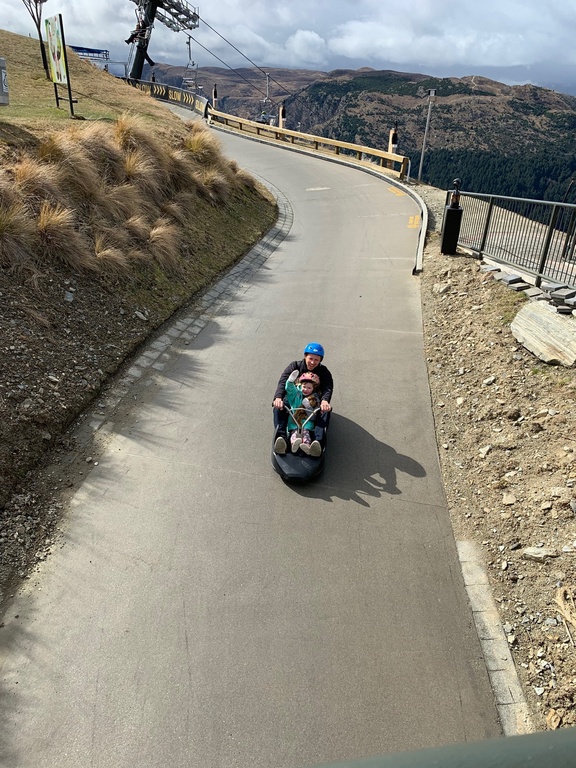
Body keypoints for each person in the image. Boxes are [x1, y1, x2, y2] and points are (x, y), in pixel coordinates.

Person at [273, 342, 333, 457]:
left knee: (325, 412)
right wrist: (278, 397)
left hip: (313, 401)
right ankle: (282, 439)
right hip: (295, 398)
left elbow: (327, 387)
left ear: (320, 360)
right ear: (305, 356)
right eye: (311, 358)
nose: (312, 362)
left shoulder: (324, 371)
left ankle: (317, 443)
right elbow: (283, 381)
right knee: (279, 407)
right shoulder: (295, 366)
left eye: (316, 360)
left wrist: (325, 400)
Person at [285, 370, 321, 454]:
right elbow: (290, 390)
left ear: (313, 388)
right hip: (294, 421)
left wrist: (308, 406)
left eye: (309, 388)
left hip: (306, 423)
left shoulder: (315, 399)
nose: (306, 390)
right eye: (304, 387)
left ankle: (306, 446)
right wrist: (290, 381)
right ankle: (294, 444)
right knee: (294, 434)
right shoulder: (296, 395)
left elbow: (315, 415)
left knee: (306, 435)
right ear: (301, 386)